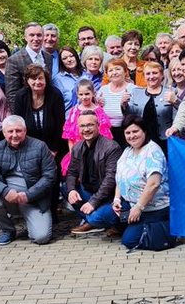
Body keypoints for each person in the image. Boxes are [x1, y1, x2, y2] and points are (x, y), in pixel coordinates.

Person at [0, 115, 57, 246]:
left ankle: (31, 222)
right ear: (3, 133)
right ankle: (7, 230)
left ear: (25, 131)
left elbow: (50, 176)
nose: (14, 135)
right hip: (8, 198)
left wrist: (29, 195)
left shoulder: (40, 146)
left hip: (34, 200)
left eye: (18, 131)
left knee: (41, 237)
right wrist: (4, 191)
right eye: (10, 131)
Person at [106, 115, 173, 251]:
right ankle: (136, 225)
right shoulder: (127, 151)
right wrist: (117, 199)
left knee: (129, 240)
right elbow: (120, 177)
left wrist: (139, 207)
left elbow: (153, 184)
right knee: (105, 215)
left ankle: (166, 229)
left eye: (135, 131)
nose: (132, 136)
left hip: (154, 207)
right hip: (131, 205)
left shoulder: (153, 151)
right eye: (128, 133)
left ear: (144, 131)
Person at [65, 111, 122, 235]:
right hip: (89, 192)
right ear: (78, 128)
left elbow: (110, 179)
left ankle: (101, 222)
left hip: (108, 197)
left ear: (98, 126)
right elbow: (71, 172)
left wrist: (93, 202)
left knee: (96, 217)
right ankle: (94, 221)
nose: (86, 129)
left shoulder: (111, 147)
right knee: (66, 188)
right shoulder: (77, 147)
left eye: (90, 125)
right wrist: (71, 190)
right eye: (82, 126)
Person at [13, 64, 67, 168]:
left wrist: (53, 150)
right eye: (33, 78)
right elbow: (18, 124)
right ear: (27, 81)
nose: (37, 82)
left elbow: (60, 125)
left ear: (46, 79)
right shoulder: (21, 96)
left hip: (54, 147)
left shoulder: (55, 94)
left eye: (40, 78)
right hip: (28, 148)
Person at [62, 79, 113, 174]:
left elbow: (105, 136)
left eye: (87, 94)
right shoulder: (74, 111)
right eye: (81, 94)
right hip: (78, 151)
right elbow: (70, 137)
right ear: (77, 94)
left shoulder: (98, 111)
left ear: (93, 93)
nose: (84, 97)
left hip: (96, 152)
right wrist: (73, 154)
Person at [127, 60, 177, 153]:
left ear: (162, 75)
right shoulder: (136, 92)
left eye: (155, 73)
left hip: (165, 139)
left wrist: (176, 101)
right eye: (148, 74)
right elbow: (129, 115)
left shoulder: (171, 91)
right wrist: (123, 104)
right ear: (144, 76)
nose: (151, 76)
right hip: (142, 139)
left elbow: (178, 115)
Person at [5, 23, 53, 107]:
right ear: (25, 37)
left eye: (39, 35)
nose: (36, 38)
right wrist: (19, 117)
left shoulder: (48, 57)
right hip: (26, 109)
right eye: (32, 35)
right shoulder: (14, 60)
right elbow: (12, 94)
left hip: (47, 108)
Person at [100, 59, 133, 141]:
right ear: (107, 74)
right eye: (110, 70)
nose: (114, 72)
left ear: (125, 72)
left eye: (118, 69)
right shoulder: (102, 90)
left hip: (127, 131)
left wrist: (125, 105)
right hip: (107, 132)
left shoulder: (133, 89)